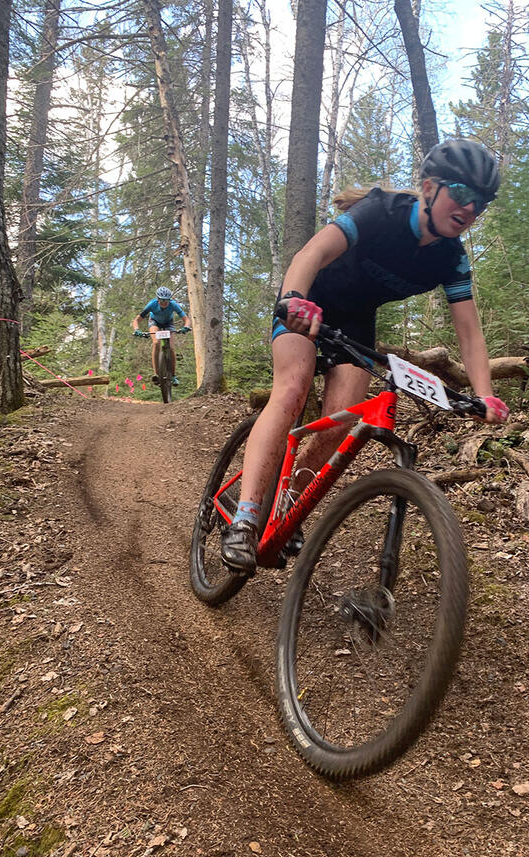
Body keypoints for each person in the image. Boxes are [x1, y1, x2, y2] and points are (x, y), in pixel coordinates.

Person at [221, 138, 510, 576]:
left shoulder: (451, 258)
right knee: (293, 388)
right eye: (463, 193)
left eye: (481, 203)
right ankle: (244, 518)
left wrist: (484, 395)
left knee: (344, 420)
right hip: (309, 300)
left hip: (354, 321)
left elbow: (469, 332)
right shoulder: (382, 211)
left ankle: (288, 504)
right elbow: (310, 254)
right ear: (430, 188)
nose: (471, 210)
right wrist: (295, 299)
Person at [132, 286, 191, 386]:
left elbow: (186, 319)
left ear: (170, 299)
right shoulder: (152, 304)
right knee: (156, 342)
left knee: (171, 348)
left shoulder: (173, 305)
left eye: (167, 300)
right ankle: (156, 374)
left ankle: (173, 376)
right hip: (154, 322)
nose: (164, 303)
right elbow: (137, 320)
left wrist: (186, 327)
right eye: (162, 300)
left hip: (168, 324)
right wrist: (137, 329)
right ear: (157, 299)